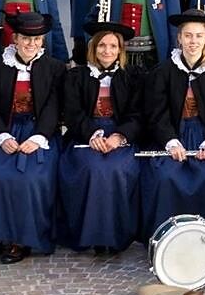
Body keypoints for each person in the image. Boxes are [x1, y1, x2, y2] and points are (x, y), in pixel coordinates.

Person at [0, 12, 66, 264]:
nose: (31, 44)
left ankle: (20, 239)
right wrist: (2, 135)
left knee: (31, 177)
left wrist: (38, 137)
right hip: (5, 131)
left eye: (37, 40)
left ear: (43, 41)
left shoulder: (55, 69)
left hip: (40, 134)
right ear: (15, 39)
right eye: (26, 38)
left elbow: (53, 109)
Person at [139, 8, 205, 241]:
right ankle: (165, 236)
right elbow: (156, 112)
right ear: (179, 38)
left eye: (198, 36)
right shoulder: (163, 72)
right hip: (173, 135)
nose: (193, 42)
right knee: (166, 175)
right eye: (188, 35)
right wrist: (170, 142)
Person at [57, 20, 142, 254]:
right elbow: (73, 113)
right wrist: (91, 133)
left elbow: (137, 115)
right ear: (93, 48)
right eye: (102, 45)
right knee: (91, 167)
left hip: (119, 137)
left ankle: (114, 237)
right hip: (85, 135)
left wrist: (119, 136)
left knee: (117, 169)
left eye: (113, 46)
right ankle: (90, 235)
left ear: (120, 50)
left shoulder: (132, 77)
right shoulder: (76, 76)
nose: (107, 51)